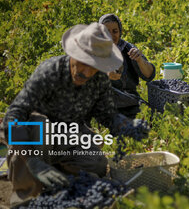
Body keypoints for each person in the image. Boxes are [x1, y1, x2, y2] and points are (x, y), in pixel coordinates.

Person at [0, 22, 149, 205]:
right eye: (83, 63)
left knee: (97, 165)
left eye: (93, 66)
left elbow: (106, 115)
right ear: (73, 54)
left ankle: (57, 177)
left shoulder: (99, 79)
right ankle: (27, 196)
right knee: (41, 125)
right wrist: (32, 161)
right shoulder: (49, 72)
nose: (86, 72)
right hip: (35, 138)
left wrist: (125, 125)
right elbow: (13, 115)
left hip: (67, 135)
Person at [99, 14, 155, 118]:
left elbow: (149, 75)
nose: (111, 35)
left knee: (149, 114)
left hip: (128, 99)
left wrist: (140, 60)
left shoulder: (128, 49)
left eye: (115, 31)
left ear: (120, 32)